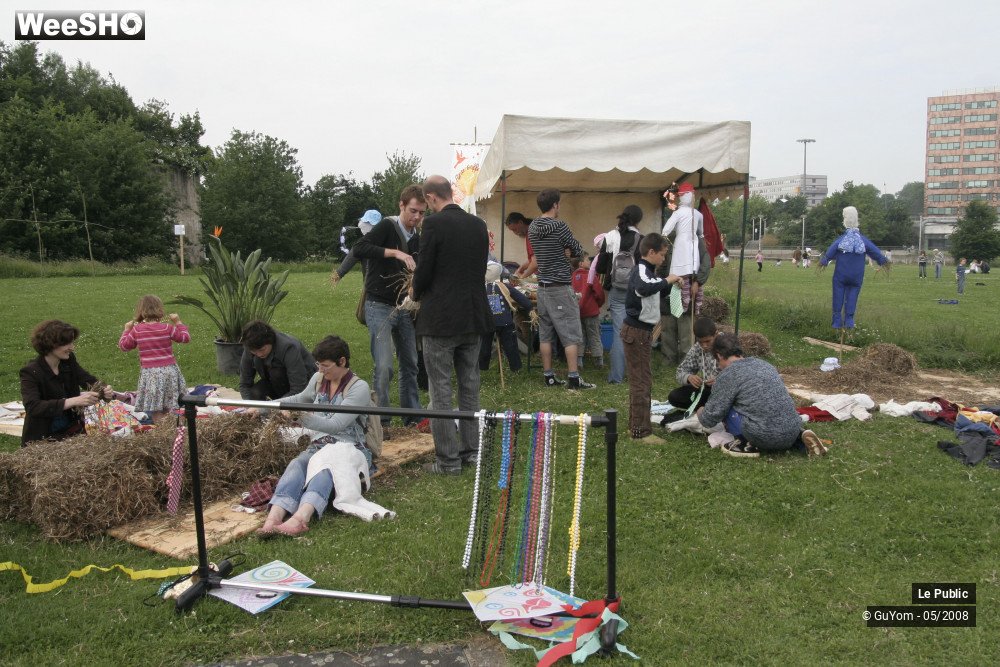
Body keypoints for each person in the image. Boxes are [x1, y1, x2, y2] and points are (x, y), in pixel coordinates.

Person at [412, 175, 495, 474]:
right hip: (473, 316)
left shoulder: (433, 225)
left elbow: (424, 269)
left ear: (432, 198)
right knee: (470, 386)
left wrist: (414, 292)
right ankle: (471, 453)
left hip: (440, 319)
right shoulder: (478, 225)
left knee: (441, 391)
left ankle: (448, 461)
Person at [258, 335, 374, 537]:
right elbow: (300, 398)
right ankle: (274, 517)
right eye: (318, 365)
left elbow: (336, 425)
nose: (321, 370)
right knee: (297, 464)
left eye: (326, 366)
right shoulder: (319, 379)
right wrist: (269, 407)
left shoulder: (358, 388)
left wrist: (301, 415)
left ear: (342, 361)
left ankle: (300, 518)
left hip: (349, 448)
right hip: (320, 444)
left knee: (324, 470)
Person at [352, 186, 425, 428]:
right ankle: (381, 421)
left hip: (404, 306)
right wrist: (395, 253)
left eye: (422, 213)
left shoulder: (417, 236)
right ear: (402, 205)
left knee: (410, 363)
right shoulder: (386, 226)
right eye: (413, 211)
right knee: (384, 366)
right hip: (379, 304)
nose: (416, 217)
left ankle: (411, 418)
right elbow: (360, 248)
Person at [696, 333, 827, 458]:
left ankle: (745, 443)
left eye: (717, 362)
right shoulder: (766, 365)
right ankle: (801, 439)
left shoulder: (728, 375)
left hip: (763, 435)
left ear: (719, 356)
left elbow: (710, 418)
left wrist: (701, 411)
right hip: (792, 429)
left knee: (728, 407)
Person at [529, 188, 595, 389]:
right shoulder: (559, 226)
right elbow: (577, 250)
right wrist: (565, 252)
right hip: (560, 286)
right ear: (555, 204)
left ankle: (548, 376)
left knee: (545, 333)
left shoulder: (532, 227)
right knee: (570, 333)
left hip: (542, 288)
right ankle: (574, 378)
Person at [620, 233, 681, 443]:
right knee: (641, 383)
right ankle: (640, 432)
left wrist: (670, 286)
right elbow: (644, 288)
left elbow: (653, 293)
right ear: (651, 252)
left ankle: (636, 425)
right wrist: (668, 279)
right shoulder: (640, 270)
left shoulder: (649, 272)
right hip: (636, 332)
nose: (664, 259)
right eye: (663, 255)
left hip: (641, 332)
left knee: (642, 380)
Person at [19, 320, 114, 446]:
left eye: (72, 342)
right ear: (51, 344)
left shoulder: (68, 361)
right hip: (43, 439)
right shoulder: (31, 371)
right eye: (67, 343)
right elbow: (33, 407)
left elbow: (86, 379)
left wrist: (104, 389)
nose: (72, 347)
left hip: (72, 431)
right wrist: (73, 401)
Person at [118, 295, 190, 421]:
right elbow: (185, 338)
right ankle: (176, 430)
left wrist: (126, 330)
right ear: (160, 310)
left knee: (157, 408)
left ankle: (162, 433)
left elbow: (124, 346)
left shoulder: (137, 330)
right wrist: (178, 322)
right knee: (171, 404)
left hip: (151, 374)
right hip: (170, 372)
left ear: (141, 311)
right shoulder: (167, 328)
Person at [594, 204, 643, 384]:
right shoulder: (640, 239)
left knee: (619, 332)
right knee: (637, 332)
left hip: (616, 289)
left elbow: (600, 267)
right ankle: (636, 374)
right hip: (637, 291)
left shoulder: (610, 237)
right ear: (638, 220)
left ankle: (616, 376)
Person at [819, 206, 889, 329]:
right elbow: (874, 251)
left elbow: (831, 251)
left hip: (841, 275)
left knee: (838, 294)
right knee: (852, 296)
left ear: (845, 220)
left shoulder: (842, 240)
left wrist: (824, 261)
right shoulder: (863, 240)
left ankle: (836, 322)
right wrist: (883, 261)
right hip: (857, 275)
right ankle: (849, 321)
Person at [238, 321, 316, 400]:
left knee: (276, 373)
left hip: (305, 385)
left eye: (262, 350)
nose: (259, 354)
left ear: (270, 341)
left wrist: (277, 405)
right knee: (255, 393)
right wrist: (250, 404)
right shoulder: (250, 348)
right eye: (254, 352)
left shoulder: (288, 347)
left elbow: (299, 387)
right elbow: (244, 384)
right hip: (276, 383)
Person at [480, 260, 533, 372]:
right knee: (510, 345)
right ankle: (516, 367)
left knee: (484, 345)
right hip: (504, 322)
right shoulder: (504, 286)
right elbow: (522, 299)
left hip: (486, 322)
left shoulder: (480, 288)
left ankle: (482, 367)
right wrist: (530, 307)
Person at [661, 183, 704, 315]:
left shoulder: (679, 213)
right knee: (691, 275)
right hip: (692, 245)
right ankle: (696, 306)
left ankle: (686, 305)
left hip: (682, 245)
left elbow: (666, 230)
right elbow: (701, 233)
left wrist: (665, 238)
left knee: (683, 276)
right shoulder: (698, 214)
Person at [668, 317, 719, 412]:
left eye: (708, 341)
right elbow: (680, 371)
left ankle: (712, 409)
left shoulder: (727, 345)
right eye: (700, 342)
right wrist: (688, 377)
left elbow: (739, 375)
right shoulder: (697, 349)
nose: (704, 345)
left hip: (726, 391)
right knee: (674, 396)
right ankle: (710, 409)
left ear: (716, 334)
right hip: (708, 391)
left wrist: (720, 381)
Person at [571, 254, 605, 370]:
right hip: (591, 311)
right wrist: (597, 304)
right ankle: (599, 361)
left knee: (580, 336)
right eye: (587, 260)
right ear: (581, 263)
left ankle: (579, 361)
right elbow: (599, 293)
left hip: (577, 311)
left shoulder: (572, 277)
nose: (590, 261)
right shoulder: (591, 276)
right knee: (594, 335)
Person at [331, 209, 382, 286]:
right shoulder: (387, 239)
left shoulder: (362, 244)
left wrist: (338, 274)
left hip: (371, 286)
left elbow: (349, 260)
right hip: (388, 285)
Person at [505, 212, 538, 278]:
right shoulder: (531, 232)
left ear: (520, 222)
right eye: (512, 231)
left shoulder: (532, 233)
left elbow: (535, 263)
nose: (515, 233)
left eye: (515, 229)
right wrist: (520, 269)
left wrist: (522, 277)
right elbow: (532, 259)